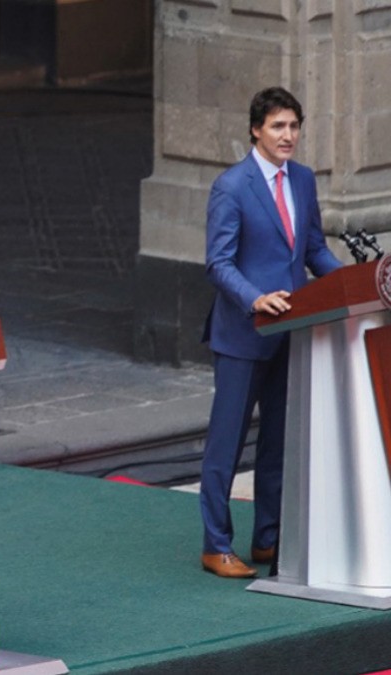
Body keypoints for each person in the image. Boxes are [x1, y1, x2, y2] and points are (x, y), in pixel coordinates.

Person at [200, 87, 343, 578]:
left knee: (279, 443)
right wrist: (255, 298)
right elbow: (218, 263)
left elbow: (313, 250)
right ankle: (216, 545)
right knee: (226, 445)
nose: (288, 135)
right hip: (243, 335)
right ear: (256, 130)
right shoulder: (232, 186)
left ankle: (268, 538)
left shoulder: (302, 179)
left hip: (292, 331)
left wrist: (351, 281)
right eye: (278, 126)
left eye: (294, 126)